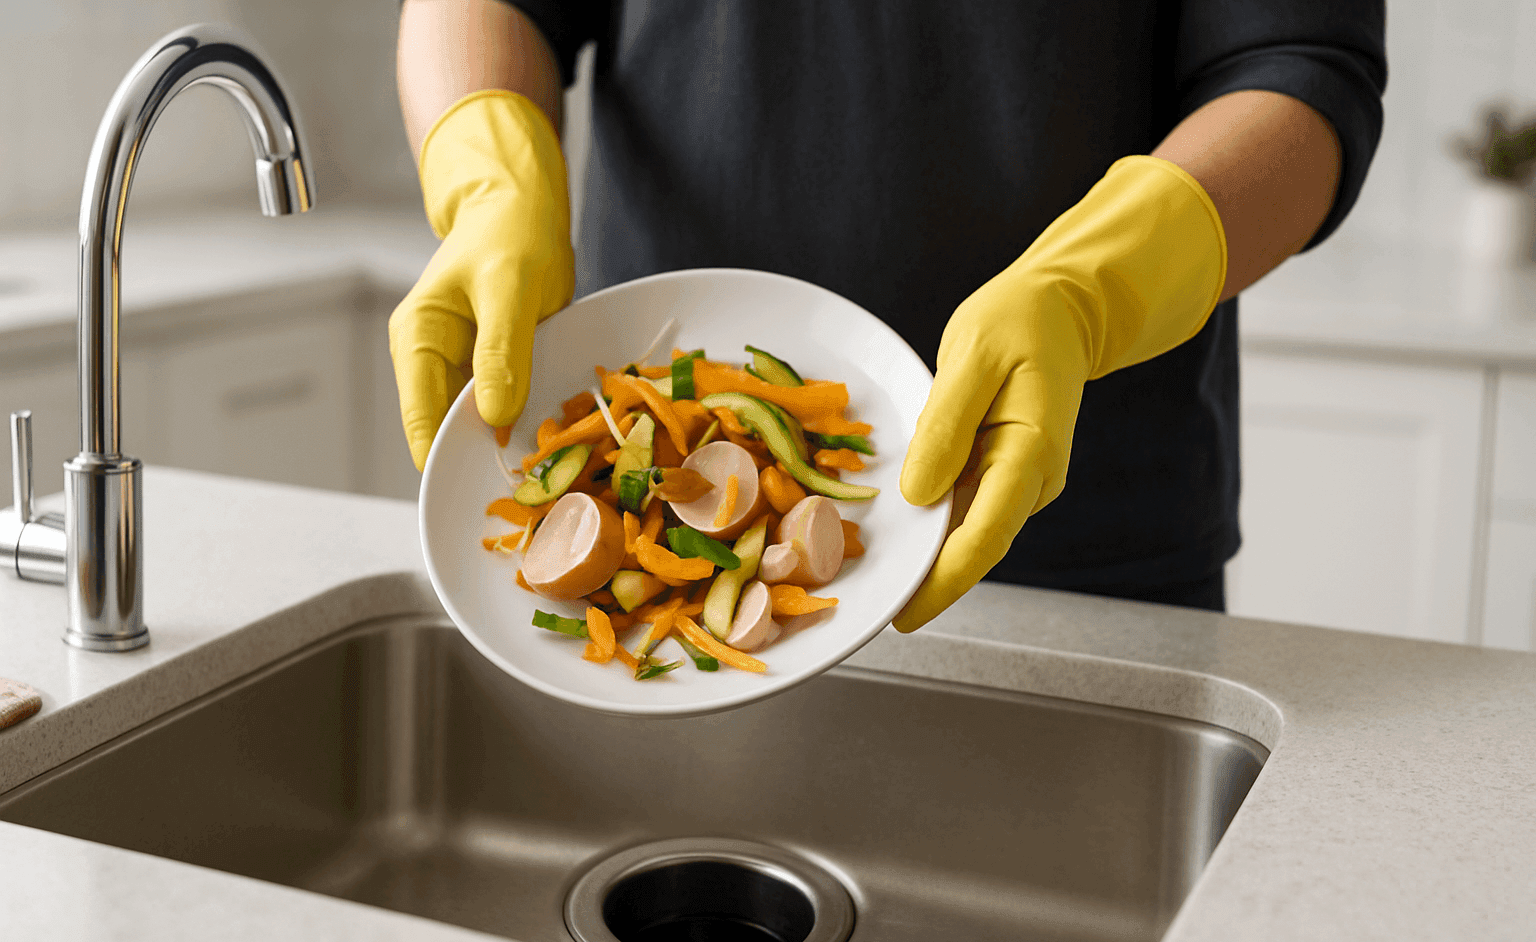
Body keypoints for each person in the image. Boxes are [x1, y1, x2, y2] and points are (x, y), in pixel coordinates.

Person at [390, 0, 1386, 632]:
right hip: (650, 519)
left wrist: (1096, 287)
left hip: (1076, 538)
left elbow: (1297, 62)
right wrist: (490, 174)